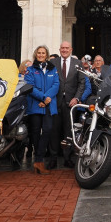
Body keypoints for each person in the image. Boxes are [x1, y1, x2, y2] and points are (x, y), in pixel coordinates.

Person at [49, 41, 86, 169]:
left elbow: (82, 83)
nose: (64, 50)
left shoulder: (78, 63)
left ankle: (67, 158)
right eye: (62, 48)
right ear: (59, 50)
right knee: (54, 131)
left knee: (69, 131)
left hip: (71, 102)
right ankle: (53, 158)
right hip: (55, 101)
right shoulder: (53, 63)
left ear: (71, 49)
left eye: (67, 48)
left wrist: (76, 98)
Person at [24, 45, 59, 175]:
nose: (41, 55)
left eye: (43, 53)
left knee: (48, 130)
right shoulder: (31, 69)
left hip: (48, 106)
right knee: (35, 133)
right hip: (36, 105)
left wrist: (47, 98)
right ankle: (38, 161)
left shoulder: (52, 69)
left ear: (47, 55)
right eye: (39, 53)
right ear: (36, 54)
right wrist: (43, 98)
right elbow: (30, 86)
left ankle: (38, 159)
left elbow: (56, 84)